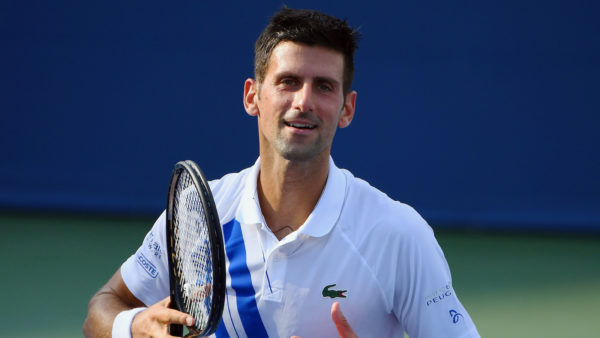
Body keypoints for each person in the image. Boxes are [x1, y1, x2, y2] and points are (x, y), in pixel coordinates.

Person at [83, 7, 479, 338]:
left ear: (347, 109)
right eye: (288, 82)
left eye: (324, 87)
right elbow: (102, 309)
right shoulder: (201, 215)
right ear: (252, 96)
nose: (304, 101)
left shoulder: (399, 236)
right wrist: (134, 326)